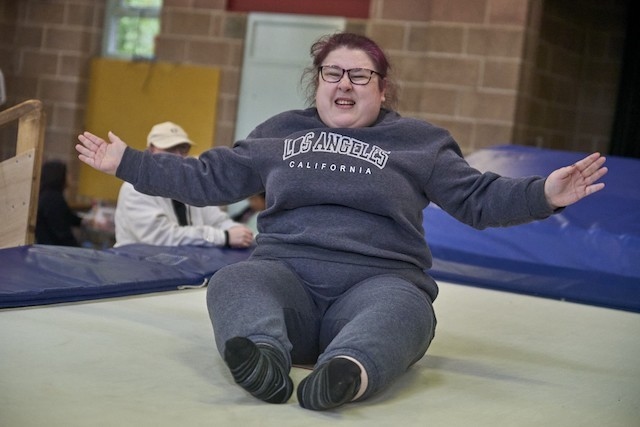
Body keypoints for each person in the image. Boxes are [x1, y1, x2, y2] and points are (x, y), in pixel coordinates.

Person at [76, 32, 607, 411]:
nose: (344, 83)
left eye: (359, 74)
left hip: (378, 283)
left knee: (409, 310)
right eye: (333, 73)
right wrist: (128, 163)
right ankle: (263, 357)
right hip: (286, 279)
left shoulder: (419, 142)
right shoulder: (280, 132)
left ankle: (346, 374)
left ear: (382, 89)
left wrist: (544, 194)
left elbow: (478, 198)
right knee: (235, 280)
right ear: (319, 84)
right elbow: (209, 178)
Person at [113, 121, 254, 248]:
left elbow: (217, 220)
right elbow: (162, 237)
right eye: (169, 149)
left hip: (181, 267)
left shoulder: (191, 183)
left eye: (183, 149)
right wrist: (223, 237)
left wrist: (243, 234)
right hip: (139, 270)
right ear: (150, 150)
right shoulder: (133, 189)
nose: (178, 156)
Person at [36, 160, 83, 246]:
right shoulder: (52, 199)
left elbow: (67, 216)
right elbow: (63, 234)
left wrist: (85, 221)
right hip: (52, 250)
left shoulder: (50, 195)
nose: (70, 176)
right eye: (67, 173)